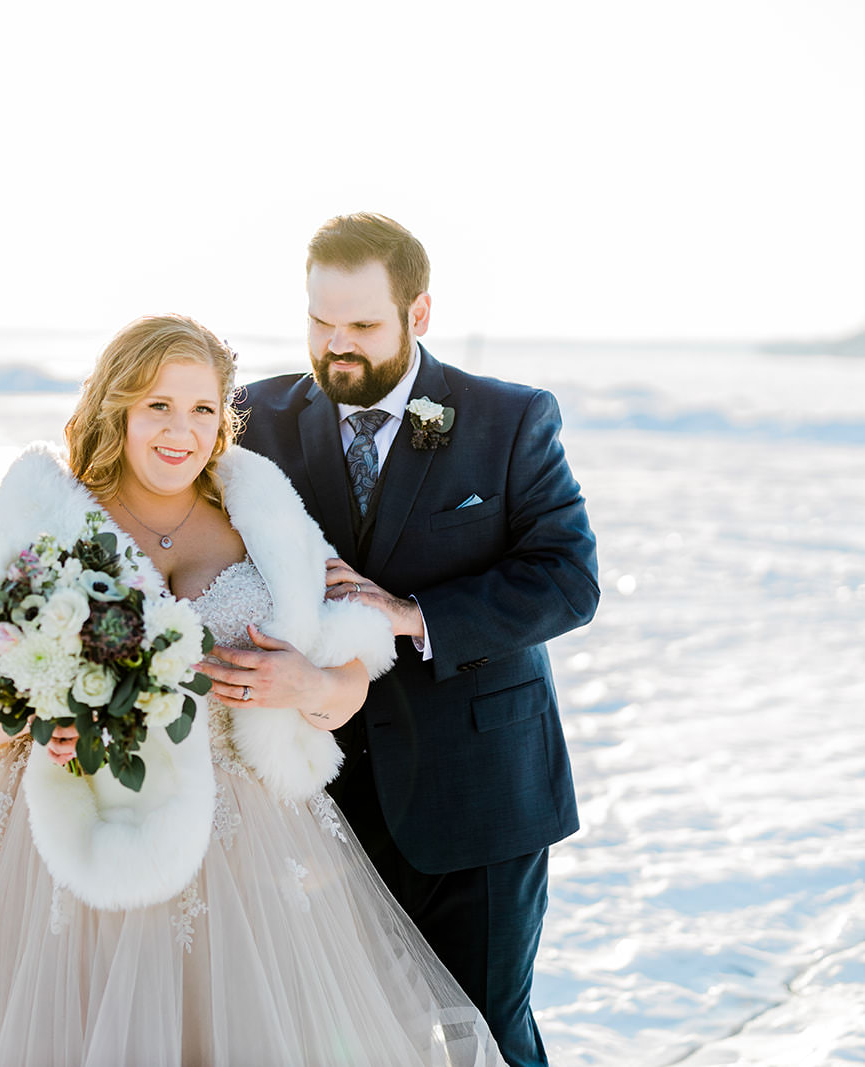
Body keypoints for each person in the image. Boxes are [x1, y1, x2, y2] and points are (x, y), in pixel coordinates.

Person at [0, 314, 504, 1065]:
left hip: (242, 842)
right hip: (62, 835)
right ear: (119, 408)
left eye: (203, 408)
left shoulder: (264, 520)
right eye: (159, 406)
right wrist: (27, 720)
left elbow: (355, 665)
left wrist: (311, 680)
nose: (182, 431)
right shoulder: (46, 522)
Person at [234, 214, 600, 1066]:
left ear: (419, 313)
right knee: (356, 1041)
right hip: (322, 807)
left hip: (482, 800)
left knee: (490, 1038)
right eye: (321, 323)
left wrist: (414, 615)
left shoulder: (509, 420)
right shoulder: (257, 420)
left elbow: (568, 578)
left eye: (362, 325)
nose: (338, 347)